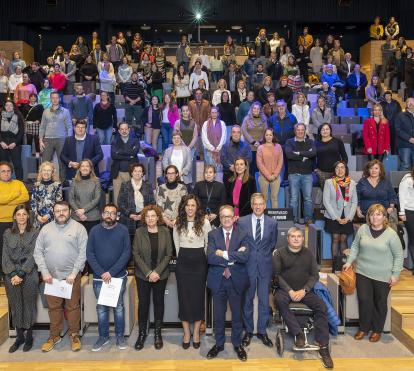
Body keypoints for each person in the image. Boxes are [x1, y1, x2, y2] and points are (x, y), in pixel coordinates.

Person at [273, 227, 334, 369]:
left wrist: (304, 290)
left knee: (321, 307)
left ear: (303, 238)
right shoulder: (279, 253)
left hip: (304, 290)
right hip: (285, 290)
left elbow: (315, 276)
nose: (295, 238)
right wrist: (289, 291)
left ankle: (323, 345)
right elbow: (276, 276)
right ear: (288, 238)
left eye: (298, 236)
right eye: (292, 236)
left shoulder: (309, 254)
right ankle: (298, 333)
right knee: (280, 301)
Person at [33, 201, 87, 352]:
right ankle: (54, 336)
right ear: (54, 213)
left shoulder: (79, 228)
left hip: (71, 276)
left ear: (70, 211)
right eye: (57, 211)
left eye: (64, 210)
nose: (61, 213)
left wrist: (74, 273)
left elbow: (83, 253)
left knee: (73, 307)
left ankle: (74, 334)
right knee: (54, 308)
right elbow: (38, 252)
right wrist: (44, 272)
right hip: (51, 278)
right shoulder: (46, 229)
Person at [344, 204, 403, 342]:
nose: (374, 217)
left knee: (380, 302)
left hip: (383, 275)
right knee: (364, 301)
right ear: (368, 217)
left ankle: (377, 330)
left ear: (384, 217)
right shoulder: (363, 229)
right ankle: (363, 328)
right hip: (363, 271)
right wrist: (349, 261)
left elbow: (398, 256)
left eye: (378, 214)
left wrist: (395, 275)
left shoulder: (391, 234)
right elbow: (355, 246)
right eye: (372, 214)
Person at [206, 205, 250, 361]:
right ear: (219, 216)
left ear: (234, 217)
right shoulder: (212, 234)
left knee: (237, 315)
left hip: (236, 281)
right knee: (218, 316)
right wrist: (234, 256)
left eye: (229, 216)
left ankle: (237, 344)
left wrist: (223, 254)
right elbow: (211, 258)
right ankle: (219, 344)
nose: (226, 219)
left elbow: (245, 257)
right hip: (218, 281)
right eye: (223, 216)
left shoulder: (243, 234)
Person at [86, 203, 131, 351]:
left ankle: (120, 337)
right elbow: (90, 254)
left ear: (116, 215)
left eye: (112, 213)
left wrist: (111, 272)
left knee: (118, 307)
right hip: (99, 278)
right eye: (106, 212)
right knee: (101, 308)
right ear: (102, 215)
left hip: (118, 277)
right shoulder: (94, 231)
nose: (109, 215)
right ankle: (103, 337)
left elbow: (126, 253)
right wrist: (101, 272)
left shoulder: (123, 230)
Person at [238, 193, 278, 347]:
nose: (258, 207)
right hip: (247, 266)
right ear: (252, 205)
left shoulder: (272, 223)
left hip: (265, 266)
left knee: (263, 300)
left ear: (265, 205)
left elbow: (272, 244)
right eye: (256, 204)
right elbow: (240, 242)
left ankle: (262, 331)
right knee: (247, 300)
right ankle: (248, 331)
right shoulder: (242, 222)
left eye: (261, 204)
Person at [132, 205, 173, 350]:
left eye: (153, 216)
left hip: (161, 275)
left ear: (158, 217)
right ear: (144, 218)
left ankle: (157, 333)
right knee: (143, 303)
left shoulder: (165, 232)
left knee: (158, 302)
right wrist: (149, 273)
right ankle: (142, 333)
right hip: (143, 275)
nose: (150, 219)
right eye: (148, 216)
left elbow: (169, 254)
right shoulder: (139, 232)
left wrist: (157, 272)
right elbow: (136, 254)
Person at [173, 195, 211, 349]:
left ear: (197, 207)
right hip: (183, 262)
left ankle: (195, 332)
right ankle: (186, 333)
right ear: (184, 207)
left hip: (199, 263)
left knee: (197, 298)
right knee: (183, 298)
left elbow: (208, 243)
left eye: (193, 205)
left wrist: (202, 258)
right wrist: (183, 257)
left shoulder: (205, 222)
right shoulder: (178, 222)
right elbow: (176, 244)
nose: (190, 208)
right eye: (187, 205)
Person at [2, 204, 39, 353]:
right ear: (14, 217)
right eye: (19, 214)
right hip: (11, 275)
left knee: (29, 305)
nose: (22, 217)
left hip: (29, 273)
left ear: (28, 216)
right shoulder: (7, 233)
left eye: (24, 214)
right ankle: (19, 337)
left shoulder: (35, 232)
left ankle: (29, 336)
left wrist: (22, 273)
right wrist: (12, 274)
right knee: (16, 305)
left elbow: (34, 255)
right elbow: (5, 255)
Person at [323, 161, 357, 271]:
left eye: (342, 167)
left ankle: (344, 266)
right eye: (337, 168)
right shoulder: (329, 182)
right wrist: (336, 217)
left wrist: (349, 217)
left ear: (345, 169)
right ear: (335, 170)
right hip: (333, 216)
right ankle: (334, 266)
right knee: (335, 238)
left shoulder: (352, 183)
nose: (340, 170)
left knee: (344, 238)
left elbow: (354, 202)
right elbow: (326, 201)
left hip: (347, 216)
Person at [0, 162, 29, 283]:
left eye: (8, 171)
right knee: (2, 249)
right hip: (1, 222)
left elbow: (26, 197)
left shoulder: (19, 183)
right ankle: (3, 273)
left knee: (18, 248)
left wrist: (6, 201)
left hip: (17, 222)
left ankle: (18, 273)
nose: (6, 173)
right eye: (3, 171)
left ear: (12, 172)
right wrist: (15, 197)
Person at [285, 123, 316, 224]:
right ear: (295, 131)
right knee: (293, 199)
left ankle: (308, 219)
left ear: (305, 131)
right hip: (293, 174)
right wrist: (304, 155)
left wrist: (298, 153)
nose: (300, 132)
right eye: (298, 130)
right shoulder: (289, 142)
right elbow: (289, 155)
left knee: (308, 199)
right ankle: (293, 220)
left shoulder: (310, 141)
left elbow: (313, 153)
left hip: (307, 174)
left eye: (302, 130)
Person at [39, 91, 72, 181]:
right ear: (50, 99)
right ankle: (44, 183)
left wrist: (69, 141)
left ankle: (62, 183)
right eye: (53, 98)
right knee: (45, 162)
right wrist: (40, 140)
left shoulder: (65, 111)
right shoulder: (45, 111)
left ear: (59, 99)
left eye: (56, 97)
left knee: (62, 163)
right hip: (48, 139)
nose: (54, 99)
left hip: (62, 139)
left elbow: (69, 127)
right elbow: (42, 127)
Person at [118, 163, 154, 235]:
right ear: (131, 173)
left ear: (143, 173)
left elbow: (152, 202)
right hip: (128, 218)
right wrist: (130, 214)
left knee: (143, 241)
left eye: (140, 171)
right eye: (135, 171)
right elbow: (120, 203)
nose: (137, 173)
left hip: (144, 218)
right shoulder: (125, 185)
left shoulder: (148, 185)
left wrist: (143, 214)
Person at [68, 159, 102, 234]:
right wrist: (79, 212)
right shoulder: (74, 181)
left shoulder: (96, 181)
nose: (85, 168)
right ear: (79, 168)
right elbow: (71, 199)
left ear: (90, 169)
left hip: (93, 217)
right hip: (77, 217)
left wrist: (83, 210)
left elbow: (97, 199)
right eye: (82, 166)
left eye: (87, 166)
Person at [111, 122, 140, 206]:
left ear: (129, 130)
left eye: (126, 129)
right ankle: (118, 214)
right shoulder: (114, 141)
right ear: (119, 131)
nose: (124, 131)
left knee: (131, 195)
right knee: (117, 196)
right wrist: (129, 157)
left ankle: (131, 214)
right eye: (122, 129)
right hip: (117, 173)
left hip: (131, 173)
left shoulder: (135, 141)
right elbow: (114, 156)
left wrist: (119, 152)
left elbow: (134, 153)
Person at [156, 164, 188, 236]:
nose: (170, 175)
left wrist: (177, 220)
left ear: (176, 174)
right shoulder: (161, 188)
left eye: (173, 173)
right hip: (163, 222)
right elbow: (158, 206)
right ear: (166, 175)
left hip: (179, 222)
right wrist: (166, 220)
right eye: (168, 173)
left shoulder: (182, 188)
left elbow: (185, 206)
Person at [30, 161, 62, 229]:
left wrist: (48, 215)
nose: (46, 172)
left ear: (52, 173)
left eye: (49, 170)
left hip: (52, 218)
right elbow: (33, 203)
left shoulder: (57, 186)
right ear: (41, 172)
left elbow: (58, 203)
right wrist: (37, 216)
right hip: (38, 219)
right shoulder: (36, 185)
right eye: (44, 170)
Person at [315, 123, 348, 189]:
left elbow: (344, 156)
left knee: (338, 194)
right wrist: (315, 169)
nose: (325, 131)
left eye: (327, 129)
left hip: (337, 172)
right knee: (326, 193)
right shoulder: (316, 143)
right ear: (320, 131)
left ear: (330, 131)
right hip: (321, 173)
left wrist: (342, 168)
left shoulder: (337, 141)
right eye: (323, 129)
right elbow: (312, 157)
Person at [256, 128, 283, 208]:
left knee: (274, 198)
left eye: (270, 135)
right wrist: (268, 175)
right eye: (267, 135)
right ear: (264, 136)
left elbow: (280, 162)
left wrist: (274, 175)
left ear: (273, 136)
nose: (268, 137)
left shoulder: (278, 147)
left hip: (276, 177)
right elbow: (259, 163)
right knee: (264, 198)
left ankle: (274, 219)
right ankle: (263, 218)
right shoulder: (260, 148)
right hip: (263, 177)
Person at [241, 101, 267, 176]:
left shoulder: (264, 119)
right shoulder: (247, 119)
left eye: (258, 109)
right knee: (249, 168)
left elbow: (266, 131)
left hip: (260, 147)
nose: (256, 110)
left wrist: (260, 142)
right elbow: (244, 130)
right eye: (254, 108)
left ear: (260, 110)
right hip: (249, 147)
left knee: (258, 168)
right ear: (251, 109)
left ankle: (257, 186)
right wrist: (252, 142)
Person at [0, 100, 24, 180]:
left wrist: (15, 143)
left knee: (17, 165)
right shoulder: (1, 116)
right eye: (7, 105)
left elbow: (21, 132)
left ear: (13, 106)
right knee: (3, 165)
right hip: (3, 143)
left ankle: (20, 183)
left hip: (15, 143)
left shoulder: (18, 116)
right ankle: (3, 183)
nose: (9, 107)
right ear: (4, 107)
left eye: (10, 105)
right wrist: (1, 142)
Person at [202, 107, 227, 174]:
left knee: (219, 170)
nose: (214, 114)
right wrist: (212, 148)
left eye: (215, 112)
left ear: (218, 113)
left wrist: (218, 147)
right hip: (209, 151)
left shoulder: (222, 123)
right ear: (210, 113)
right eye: (212, 112)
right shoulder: (205, 123)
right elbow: (204, 137)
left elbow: (224, 137)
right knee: (209, 169)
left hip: (219, 150)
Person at [399, 168, 414, 272]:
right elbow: (402, 196)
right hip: (409, 211)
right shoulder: (408, 179)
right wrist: (402, 212)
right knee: (413, 239)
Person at [19, 93, 44, 157]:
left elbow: (43, 116)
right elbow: (23, 116)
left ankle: (38, 155)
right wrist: (26, 121)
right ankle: (29, 154)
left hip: (37, 125)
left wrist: (39, 120)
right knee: (28, 141)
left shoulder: (40, 106)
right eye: (31, 97)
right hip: (28, 125)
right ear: (29, 98)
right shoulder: (25, 106)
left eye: (34, 97)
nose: (33, 98)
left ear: (36, 98)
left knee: (37, 141)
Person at [123, 72, 146, 137]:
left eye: (136, 76)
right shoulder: (127, 85)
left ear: (137, 78)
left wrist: (134, 101)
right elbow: (125, 94)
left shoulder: (140, 86)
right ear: (131, 77)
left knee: (138, 120)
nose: (135, 77)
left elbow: (141, 96)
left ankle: (138, 135)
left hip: (138, 105)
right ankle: (128, 135)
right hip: (128, 104)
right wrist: (131, 101)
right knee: (128, 120)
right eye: (133, 76)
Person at [395, 97, 414, 170]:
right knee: (406, 165)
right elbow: (398, 130)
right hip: (404, 145)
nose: (410, 103)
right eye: (408, 102)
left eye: (412, 101)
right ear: (406, 104)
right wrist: (409, 138)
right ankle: (402, 181)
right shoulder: (400, 115)